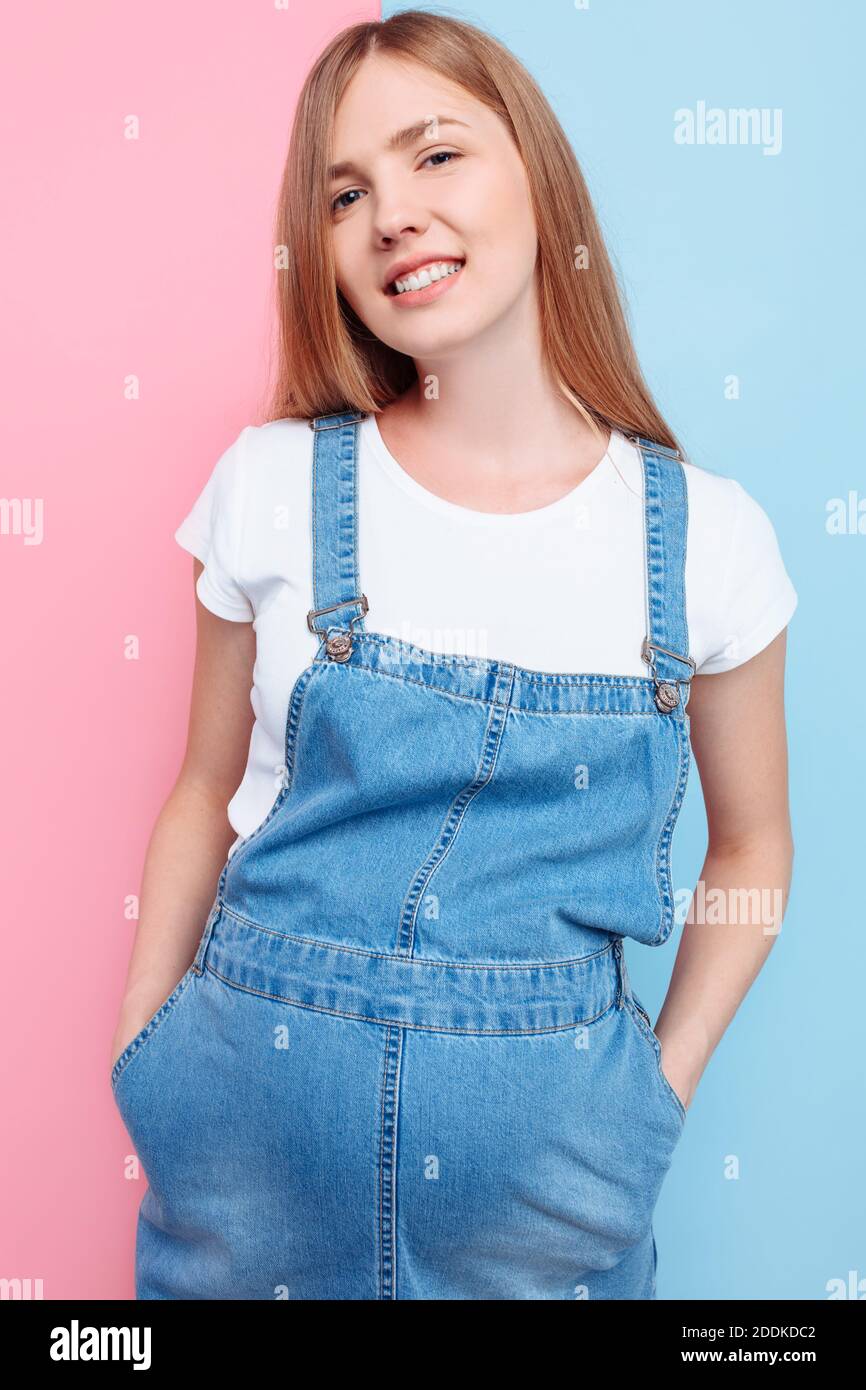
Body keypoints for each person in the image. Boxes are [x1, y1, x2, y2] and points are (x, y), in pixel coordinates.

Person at [109, 9, 797, 1300]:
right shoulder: (266, 487)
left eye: (436, 157)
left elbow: (755, 842)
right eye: (346, 191)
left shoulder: (706, 537)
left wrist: (655, 1094)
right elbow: (202, 786)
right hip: (238, 1178)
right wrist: (143, 1050)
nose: (391, 215)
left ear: (536, 172)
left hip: (550, 1217)